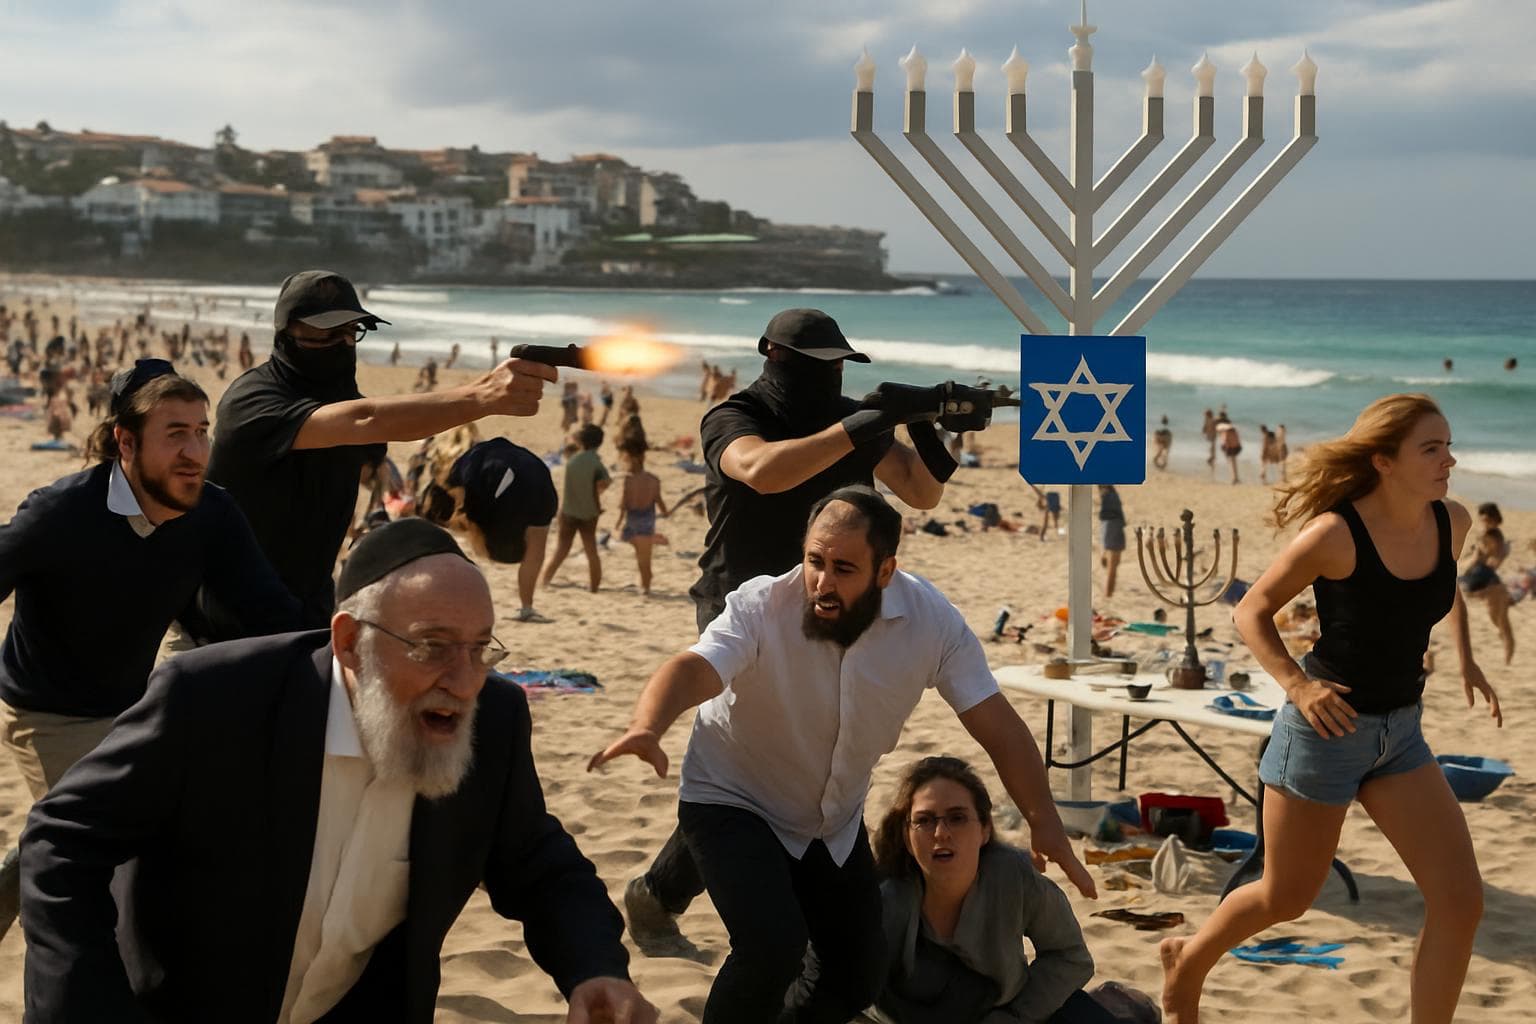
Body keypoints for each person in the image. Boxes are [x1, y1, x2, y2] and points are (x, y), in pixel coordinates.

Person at [20, 519, 655, 1024]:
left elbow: (538, 865)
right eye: (432, 646)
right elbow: (62, 840)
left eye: (480, 649)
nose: (463, 682)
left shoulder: (496, 719)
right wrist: (88, 1008)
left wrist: (594, 968)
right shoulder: (212, 698)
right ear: (350, 640)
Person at [590, 487, 1094, 1024]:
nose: (823, 584)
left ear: (885, 571)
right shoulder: (761, 606)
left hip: (831, 819)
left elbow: (998, 725)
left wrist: (1045, 820)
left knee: (858, 972)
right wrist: (648, 725)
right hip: (731, 797)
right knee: (772, 947)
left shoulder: (931, 623)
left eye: (844, 568)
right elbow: (693, 667)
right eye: (814, 561)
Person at [1160, 393, 1503, 1024]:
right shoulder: (1335, 534)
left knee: (1460, 901)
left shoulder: (1450, 520)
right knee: (1285, 897)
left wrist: (1468, 658)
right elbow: (1250, 610)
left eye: (1449, 445)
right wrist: (1297, 685)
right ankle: (1189, 960)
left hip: (1401, 736)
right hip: (1324, 733)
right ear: (1385, 461)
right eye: (1431, 448)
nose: (1449, 459)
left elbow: (1442, 588)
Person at [0, 361, 301, 938]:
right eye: (175, 434)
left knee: (111, 834)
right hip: (48, 712)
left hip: (134, 705)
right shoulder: (61, 511)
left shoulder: (212, 512)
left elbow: (269, 609)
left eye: (201, 431)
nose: (194, 451)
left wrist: (337, 654)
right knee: (101, 847)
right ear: (126, 442)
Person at [194, 270, 553, 639]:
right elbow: (365, 421)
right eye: (325, 334)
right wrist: (483, 397)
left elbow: (379, 471)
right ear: (287, 334)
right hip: (222, 621)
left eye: (352, 331)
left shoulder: (343, 400)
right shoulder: (253, 402)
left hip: (305, 612)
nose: (343, 343)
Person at [684, 308, 949, 630]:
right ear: (773, 352)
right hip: (745, 604)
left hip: (831, 603)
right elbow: (761, 472)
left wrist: (927, 427)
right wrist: (864, 425)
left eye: (836, 362)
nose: (829, 371)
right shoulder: (736, 415)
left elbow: (920, 492)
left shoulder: (853, 419)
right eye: (814, 362)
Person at [867, 756, 1117, 1024]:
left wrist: (1014, 1016)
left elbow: (1069, 955)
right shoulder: (885, 899)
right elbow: (855, 990)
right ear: (907, 836)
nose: (941, 833)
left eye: (957, 818)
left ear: (984, 830)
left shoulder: (1012, 877)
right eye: (925, 820)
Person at [422, 436, 557, 624]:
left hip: (501, 481)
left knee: (472, 532)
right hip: (540, 485)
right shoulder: (476, 462)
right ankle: (527, 608)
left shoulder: (464, 468)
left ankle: (460, 588)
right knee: (536, 549)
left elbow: (460, 499)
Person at [542, 423, 610, 592]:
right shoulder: (596, 463)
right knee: (591, 551)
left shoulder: (572, 461)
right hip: (589, 513)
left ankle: (545, 580)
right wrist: (597, 494)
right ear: (599, 443)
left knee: (561, 549)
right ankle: (594, 587)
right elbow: (604, 482)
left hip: (568, 511)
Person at [1460, 501, 1515, 664]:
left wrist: (1481, 558)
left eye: (1487, 520)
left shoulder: (1494, 536)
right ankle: (1507, 652)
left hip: (1489, 582)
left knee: (1502, 623)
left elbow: (1496, 558)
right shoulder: (1488, 534)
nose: (1484, 523)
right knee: (1498, 621)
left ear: (1493, 519)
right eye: (1483, 519)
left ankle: (1508, 658)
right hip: (1483, 580)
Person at [616, 448, 669, 595]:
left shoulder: (628, 479)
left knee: (640, 559)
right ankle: (645, 587)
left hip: (632, 522)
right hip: (646, 523)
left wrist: (619, 522)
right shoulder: (653, 479)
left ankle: (644, 586)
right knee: (645, 560)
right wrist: (666, 513)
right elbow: (659, 500)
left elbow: (623, 504)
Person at [1098, 484, 1126, 599]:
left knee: (1115, 560)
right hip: (1112, 524)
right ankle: (1108, 594)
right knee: (1113, 564)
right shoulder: (1106, 491)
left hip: (1111, 524)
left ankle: (1104, 555)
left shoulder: (1109, 492)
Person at [1214, 413, 1241, 484]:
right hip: (1235, 443)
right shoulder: (1229, 425)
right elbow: (1235, 433)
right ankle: (1235, 477)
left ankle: (1234, 478)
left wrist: (1225, 444)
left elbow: (1224, 436)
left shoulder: (1220, 426)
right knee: (1233, 461)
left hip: (1229, 444)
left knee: (1231, 461)